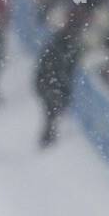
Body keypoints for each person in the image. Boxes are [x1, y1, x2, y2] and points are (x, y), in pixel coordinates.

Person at [34, 10, 85, 146]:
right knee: (51, 111)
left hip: (56, 83)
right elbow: (50, 64)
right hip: (53, 83)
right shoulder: (60, 45)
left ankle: (49, 135)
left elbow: (68, 68)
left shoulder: (68, 46)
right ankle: (48, 136)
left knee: (52, 112)